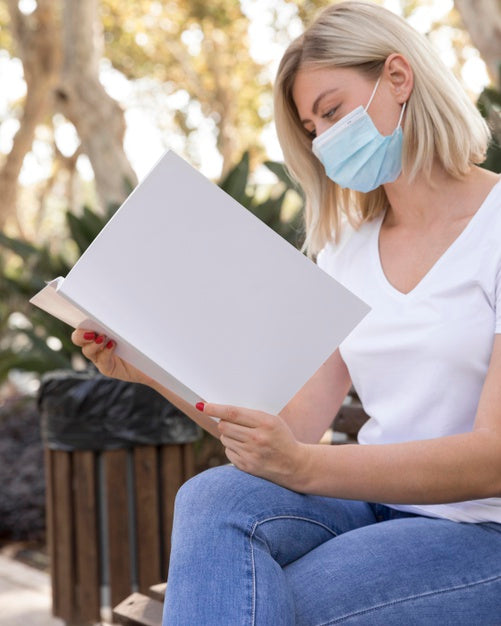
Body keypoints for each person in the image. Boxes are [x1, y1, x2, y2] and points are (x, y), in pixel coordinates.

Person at [72, 1, 501, 623]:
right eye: (311, 128)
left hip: (481, 529)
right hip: (373, 505)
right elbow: (289, 432)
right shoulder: (346, 252)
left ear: (399, 78)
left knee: (266, 603)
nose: (324, 139)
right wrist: (147, 366)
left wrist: (303, 464)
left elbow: (492, 456)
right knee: (212, 498)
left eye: (331, 111)